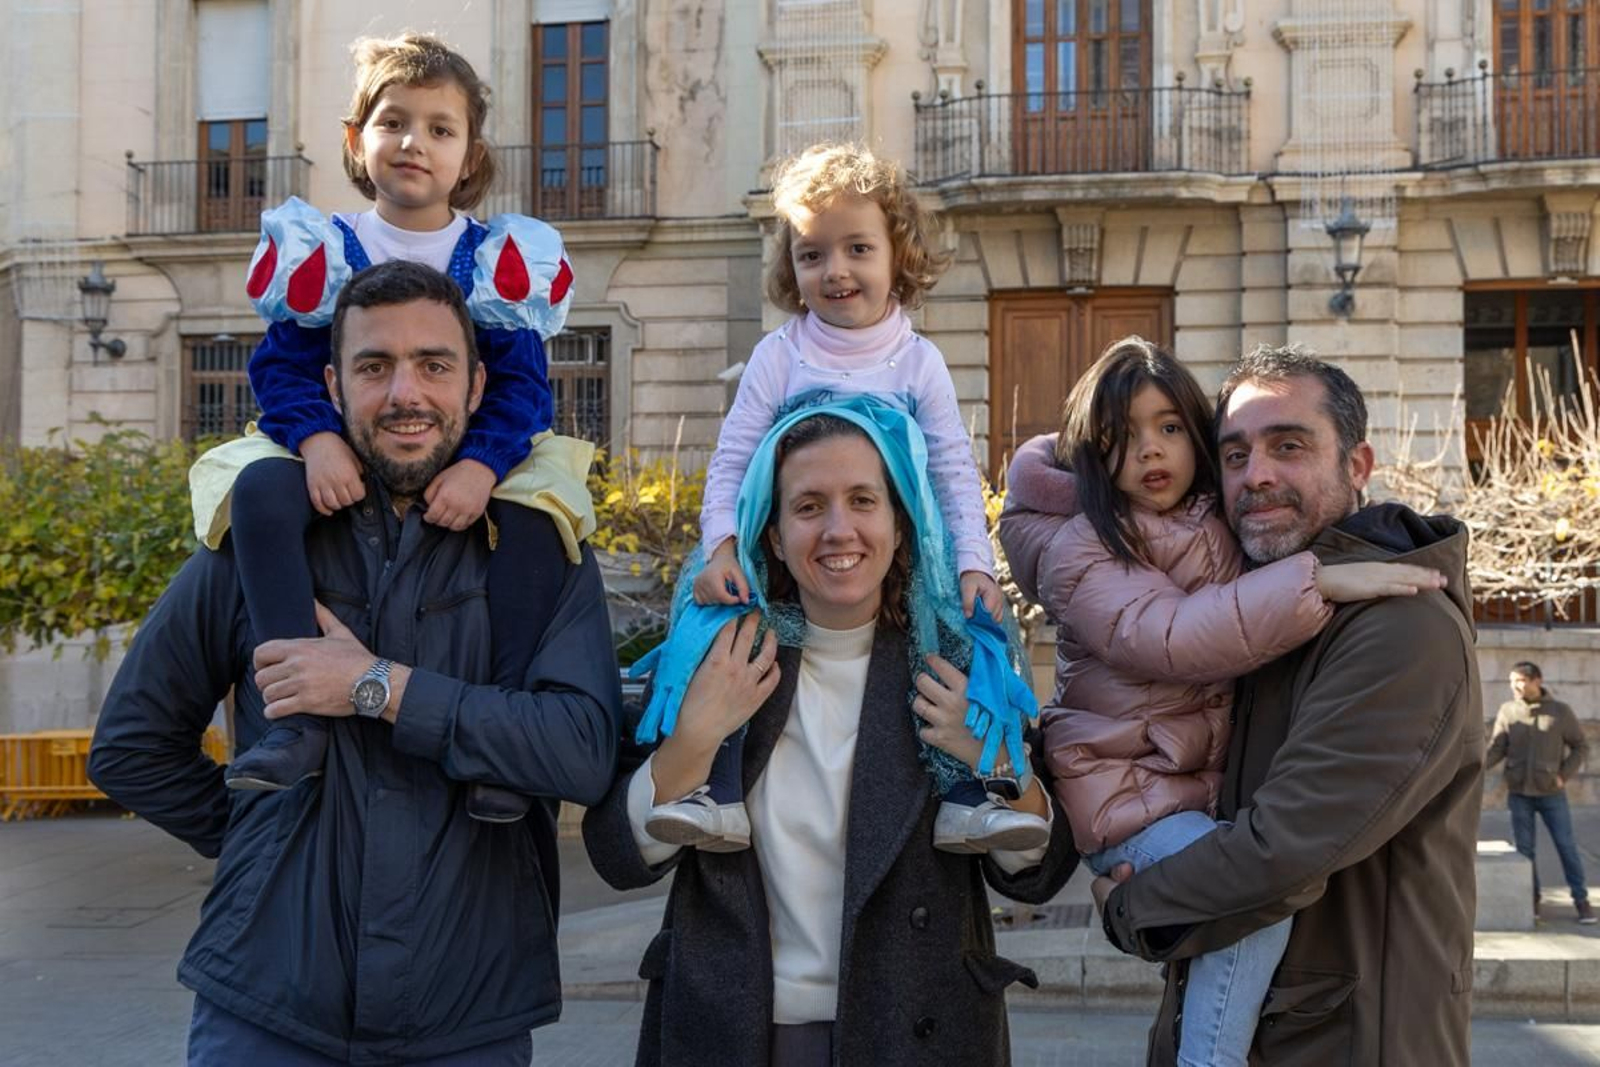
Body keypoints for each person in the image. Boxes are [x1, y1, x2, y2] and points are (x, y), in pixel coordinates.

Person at [89, 260, 622, 1066]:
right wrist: (269, 845)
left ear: (478, 385)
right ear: (333, 385)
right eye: (375, 367)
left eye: (433, 365)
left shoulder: (540, 548)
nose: (406, 393)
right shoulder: (255, 548)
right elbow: (131, 748)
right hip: (266, 1013)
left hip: (469, 1015)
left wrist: (379, 686)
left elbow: (581, 750)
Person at [583, 397, 1078, 1067]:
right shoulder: (719, 661)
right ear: (774, 535)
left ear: (900, 525)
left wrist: (992, 757)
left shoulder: (958, 665)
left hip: (917, 1038)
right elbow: (615, 856)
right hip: (730, 1034)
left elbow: (1038, 875)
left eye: (863, 501)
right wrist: (693, 741)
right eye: (810, 506)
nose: (839, 530)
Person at [998, 337, 1444, 1067]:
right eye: (1121, 437)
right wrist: (1316, 580)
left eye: (1171, 427)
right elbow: (1172, 635)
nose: (1151, 450)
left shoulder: (1222, 525)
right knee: (1245, 910)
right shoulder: (1085, 546)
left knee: (1239, 903)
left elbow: (1282, 844)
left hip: (1189, 804)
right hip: (1125, 796)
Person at [189, 32, 589, 824]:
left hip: (465, 454)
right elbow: (281, 368)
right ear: (355, 139)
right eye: (393, 122)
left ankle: (503, 728)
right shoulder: (326, 249)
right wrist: (316, 439)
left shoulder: (495, 258)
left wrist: (482, 464)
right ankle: (292, 719)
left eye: (440, 128)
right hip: (340, 449)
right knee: (260, 493)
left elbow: (520, 388)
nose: (414, 143)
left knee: (541, 520)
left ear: (470, 155)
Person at [646, 142, 1038, 856]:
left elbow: (954, 471)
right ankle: (716, 793)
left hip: (908, 558)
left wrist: (974, 565)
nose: (835, 270)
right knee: (721, 638)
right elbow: (731, 457)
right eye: (812, 254)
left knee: (955, 644)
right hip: (773, 555)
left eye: (858, 248)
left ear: (898, 255)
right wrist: (720, 548)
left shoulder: (918, 361)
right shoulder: (779, 353)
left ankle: (968, 797)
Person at [1488, 660, 1594, 923]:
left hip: (1551, 794)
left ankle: (1581, 900)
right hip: (1519, 793)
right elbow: (1497, 748)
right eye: (1512, 681)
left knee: (1566, 846)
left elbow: (1580, 746)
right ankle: (1531, 899)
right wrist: (1473, 767)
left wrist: (1563, 775)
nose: (1515, 686)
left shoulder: (1560, 712)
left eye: (1520, 681)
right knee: (1524, 851)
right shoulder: (1508, 711)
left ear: (1537, 681)